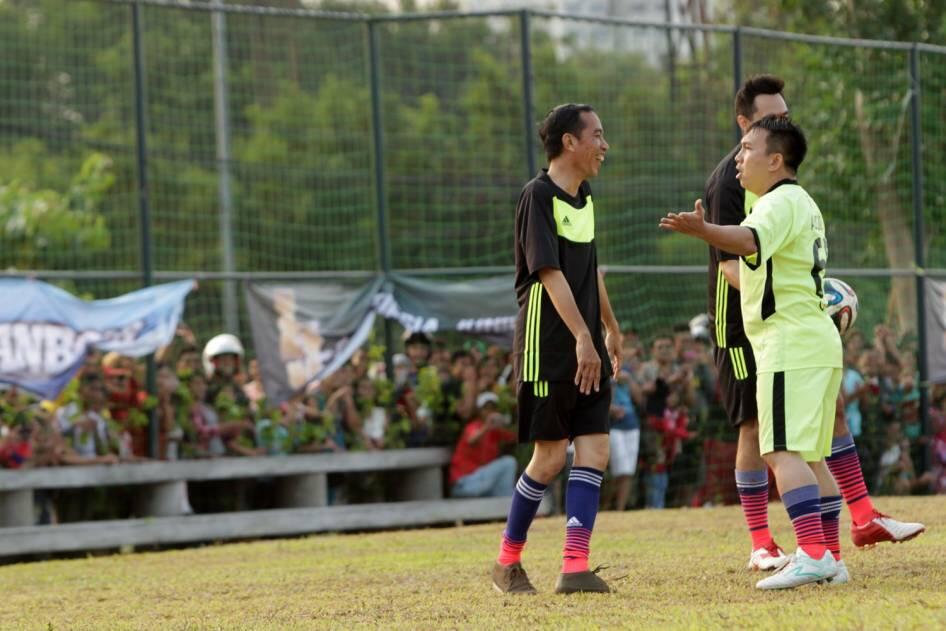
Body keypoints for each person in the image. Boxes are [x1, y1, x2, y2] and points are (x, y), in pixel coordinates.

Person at [698, 75, 923, 574]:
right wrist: (801, 302)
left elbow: (766, 251)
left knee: (802, 438)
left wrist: (803, 301)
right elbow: (729, 265)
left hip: (789, 326)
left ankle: (840, 537)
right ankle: (765, 541)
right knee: (760, 431)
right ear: (743, 125)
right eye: (767, 118)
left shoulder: (779, 192)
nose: (781, 122)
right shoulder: (730, 182)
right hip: (743, 325)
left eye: (785, 115)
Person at [661, 115, 845, 589]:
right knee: (808, 455)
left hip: (790, 343)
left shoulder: (776, 202)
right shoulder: (802, 203)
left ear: (776, 160)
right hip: (815, 341)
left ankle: (812, 554)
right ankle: (831, 558)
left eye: (747, 148)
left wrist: (703, 230)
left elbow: (746, 240)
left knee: (779, 449)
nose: (738, 158)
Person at [492, 103, 621, 595]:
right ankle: (507, 561)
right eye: (598, 135)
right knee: (547, 460)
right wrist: (582, 337)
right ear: (570, 142)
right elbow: (549, 274)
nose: (604, 145)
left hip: (586, 345)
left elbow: (590, 269)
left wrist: (610, 325)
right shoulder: (536, 196)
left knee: (596, 449)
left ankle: (574, 567)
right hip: (548, 349)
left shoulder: (584, 198)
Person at [449, 392, 517, 498]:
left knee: (506, 483)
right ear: (479, 411)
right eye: (486, 408)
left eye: (492, 408)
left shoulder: (496, 431)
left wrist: (507, 421)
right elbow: (472, 440)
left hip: (482, 484)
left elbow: (515, 437)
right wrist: (487, 426)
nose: (489, 412)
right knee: (509, 462)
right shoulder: (473, 426)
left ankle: (507, 502)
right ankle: (508, 503)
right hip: (465, 484)